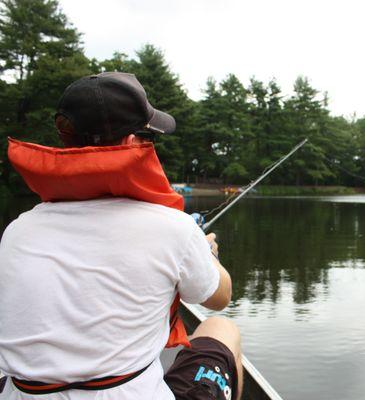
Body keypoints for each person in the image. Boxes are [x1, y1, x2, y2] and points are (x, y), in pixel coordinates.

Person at [0, 72, 242, 400]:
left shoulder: (17, 231)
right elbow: (219, 297)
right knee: (223, 329)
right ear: (131, 143)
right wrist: (207, 253)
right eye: (146, 136)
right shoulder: (173, 228)